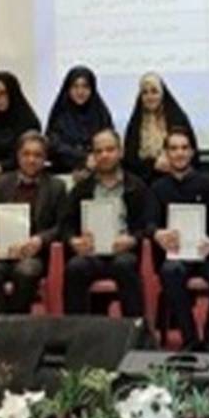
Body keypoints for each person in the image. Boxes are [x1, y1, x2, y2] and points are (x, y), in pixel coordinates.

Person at [150, 127, 209, 351]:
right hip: (176, 252)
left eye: (184, 148)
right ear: (166, 153)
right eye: (173, 148)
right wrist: (158, 233)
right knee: (170, 272)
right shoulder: (158, 188)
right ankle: (190, 338)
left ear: (192, 152)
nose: (179, 153)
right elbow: (149, 223)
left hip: (207, 250)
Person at [0, 132, 65, 326]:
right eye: (26, 154)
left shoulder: (56, 187)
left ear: (45, 159)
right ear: (18, 156)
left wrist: (40, 240)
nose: (31, 160)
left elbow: (63, 225)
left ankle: (13, 330)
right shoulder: (0, 183)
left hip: (32, 255)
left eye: (37, 155)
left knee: (26, 271)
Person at [61, 128, 154, 318]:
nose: (104, 155)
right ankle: (76, 331)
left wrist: (133, 239)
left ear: (120, 152)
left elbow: (148, 224)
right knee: (75, 268)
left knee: (125, 266)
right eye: (99, 151)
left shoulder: (137, 187)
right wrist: (73, 241)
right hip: (91, 253)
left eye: (110, 150)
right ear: (93, 156)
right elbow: (65, 224)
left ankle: (134, 330)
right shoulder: (81, 189)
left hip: (124, 252)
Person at [123, 72, 198, 185]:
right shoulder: (135, 124)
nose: (150, 97)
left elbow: (192, 152)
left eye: (154, 92)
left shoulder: (177, 118)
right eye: (145, 92)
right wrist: (152, 164)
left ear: (162, 94)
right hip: (145, 183)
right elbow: (130, 160)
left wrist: (172, 161)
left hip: (177, 180)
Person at [46, 66, 114, 177]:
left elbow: (109, 144)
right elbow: (53, 147)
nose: (80, 91)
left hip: (97, 174)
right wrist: (83, 159)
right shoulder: (59, 115)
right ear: (68, 89)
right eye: (75, 86)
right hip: (63, 174)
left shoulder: (100, 115)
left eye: (85, 86)